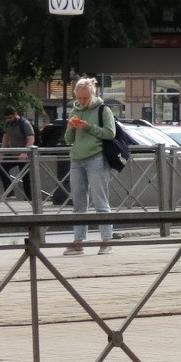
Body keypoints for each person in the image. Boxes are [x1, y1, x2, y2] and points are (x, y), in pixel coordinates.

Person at [63, 78, 117, 255]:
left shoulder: (103, 109)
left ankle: (106, 240)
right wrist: (71, 128)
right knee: (78, 201)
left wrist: (89, 127)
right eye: (79, 98)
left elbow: (110, 133)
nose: (82, 102)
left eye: (85, 98)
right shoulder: (75, 109)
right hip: (77, 159)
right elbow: (68, 140)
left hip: (96, 158)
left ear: (93, 94)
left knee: (99, 199)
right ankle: (78, 241)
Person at [0, 107, 36, 200]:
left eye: (10, 117)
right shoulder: (8, 124)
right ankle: (10, 193)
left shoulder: (24, 123)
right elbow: (5, 137)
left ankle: (29, 199)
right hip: (12, 154)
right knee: (2, 167)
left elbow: (31, 139)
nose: (8, 120)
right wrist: (2, 152)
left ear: (15, 114)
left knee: (26, 177)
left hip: (24, 155)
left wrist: (24, 152)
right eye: (7, 118)